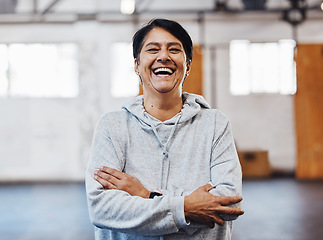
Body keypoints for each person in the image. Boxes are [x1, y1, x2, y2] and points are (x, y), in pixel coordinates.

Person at [85, 18, 244, 240]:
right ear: (136, 65)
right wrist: (186, 207)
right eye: (152, 49)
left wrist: (145, 195)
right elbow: (102, 209)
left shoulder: (215, 124)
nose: (163, 56)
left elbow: (228, 203)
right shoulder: (112, 126)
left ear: (187, 65)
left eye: (174, 49)